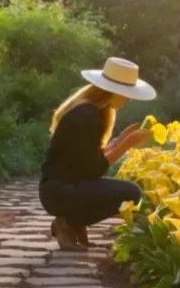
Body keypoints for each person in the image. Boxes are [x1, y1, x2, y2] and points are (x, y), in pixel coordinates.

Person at [39, 57, 156, 249]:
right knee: (132, 194)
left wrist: (119, 140)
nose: (129, 98)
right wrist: (126, 144)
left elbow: (86, 157)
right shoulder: (87, 115)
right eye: (127, 93)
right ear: (114, 91)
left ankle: (74, 222)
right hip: (60, 191)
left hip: (58, 189)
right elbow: (94, 170)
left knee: (125, 191)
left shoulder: (87, 110)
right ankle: (68, 223)